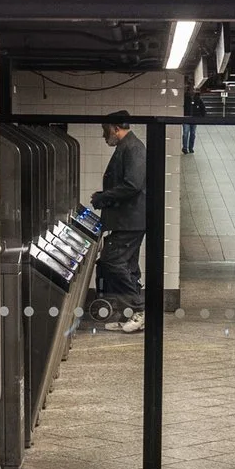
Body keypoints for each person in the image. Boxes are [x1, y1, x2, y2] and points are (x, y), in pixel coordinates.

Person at [90, 112, 149, 333]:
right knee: (129, 266)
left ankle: (139, 310)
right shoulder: (128, 147)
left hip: (130, 220)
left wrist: (104, 197)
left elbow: (132, 185)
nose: (104, 135)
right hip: (128, 220)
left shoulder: (133, 148)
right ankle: (131, 315)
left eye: (106, 130)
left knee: (112, 261)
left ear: (116, 128)